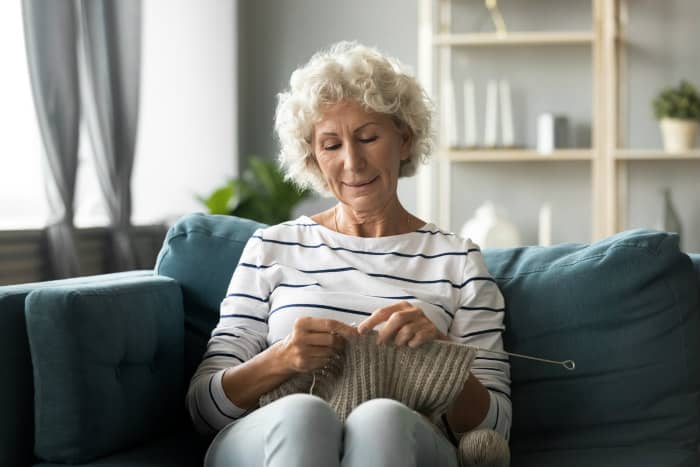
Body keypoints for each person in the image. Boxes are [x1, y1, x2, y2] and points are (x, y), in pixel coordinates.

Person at [187, 41, 511, 467]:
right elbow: (204, 408)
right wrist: (282, 357)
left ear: (405, 139)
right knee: (303, 413)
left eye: (367, 137)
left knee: (381, 418)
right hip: (272, 437)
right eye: (331, 145)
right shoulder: (272, 248)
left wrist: (444, 352)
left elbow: (495, 429)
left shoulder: (458, 260)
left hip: (407, 440)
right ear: (313, 158)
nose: (352, 162)